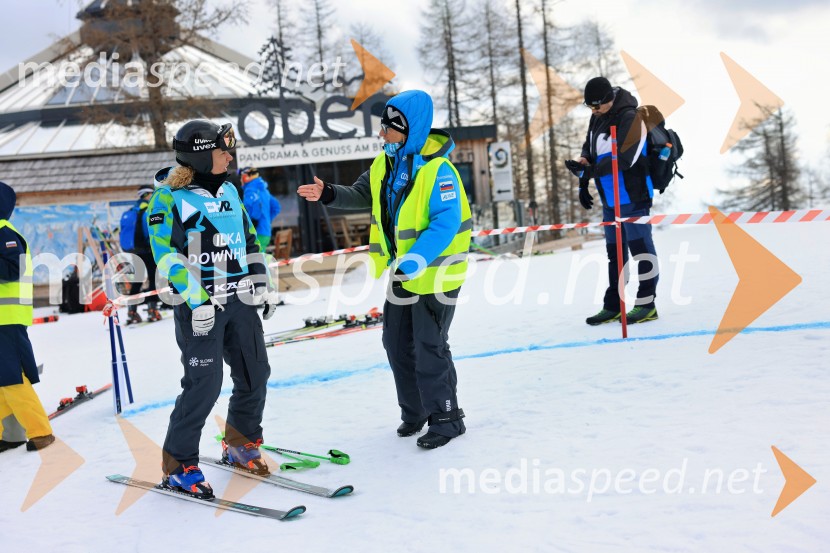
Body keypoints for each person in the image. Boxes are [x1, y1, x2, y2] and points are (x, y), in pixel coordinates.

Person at [298, 90, 471, 449]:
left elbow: (446, 222)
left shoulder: (439, 170)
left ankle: (447, 419)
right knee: (395, 342)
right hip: (402, 274)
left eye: (388, 128)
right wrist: (328, 193)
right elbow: (362, 193)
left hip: (434, 274)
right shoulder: (385, 164)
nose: (381, 134)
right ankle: (416, 411)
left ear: (411, 129)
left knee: (429, 345)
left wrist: (415, 259)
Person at [147, 120, 281, 498]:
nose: (229, 157)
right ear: (201, 156)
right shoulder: (168, 198)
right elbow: (165, 255)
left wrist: (262, 281)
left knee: (255, 373)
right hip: (200, 308)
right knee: (204, 385)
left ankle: (240, 442)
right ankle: (178, 464)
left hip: (239, 300)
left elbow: (249, 239)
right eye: (222, 151)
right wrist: (197, 299)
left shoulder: (230, 190)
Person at [565, 76, 660, 325]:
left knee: (641, 251)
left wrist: (590, 171)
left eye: (597, 106)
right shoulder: (598, 116)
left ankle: (647, 304)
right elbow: (589, 147)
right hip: (610, 198)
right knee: (615, 254)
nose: (594, 111)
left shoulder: (631, 118)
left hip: (633, 195)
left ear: (609, 99)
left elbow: (624, 159)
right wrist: (583, 169)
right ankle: (614, 305)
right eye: (589, 107)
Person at [0, 181, 55, 452]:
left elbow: (12, 269)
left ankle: (40, 432)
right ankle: (10, 435)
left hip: (7, 317)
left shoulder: (5, 233)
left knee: (11, 378)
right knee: (3, 380)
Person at [120, 185, 161, 324]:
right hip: (148, 250)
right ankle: (152, 310)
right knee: (153, 279)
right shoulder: (149, 210)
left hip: (135, 251)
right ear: (147, 195)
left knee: (137, 280)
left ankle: (131, 312)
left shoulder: (132, 211)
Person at [239, 167, 281, 253]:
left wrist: (253, 222)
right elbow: (276, 207)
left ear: (247, 177)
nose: (240, 180)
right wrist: (266, 220)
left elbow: (255, 208)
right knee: (261, 257)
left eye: (242, 177)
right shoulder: (264, 190)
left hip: (256, 232)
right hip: (266, 231)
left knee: (256, 258)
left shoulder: (250, 190)